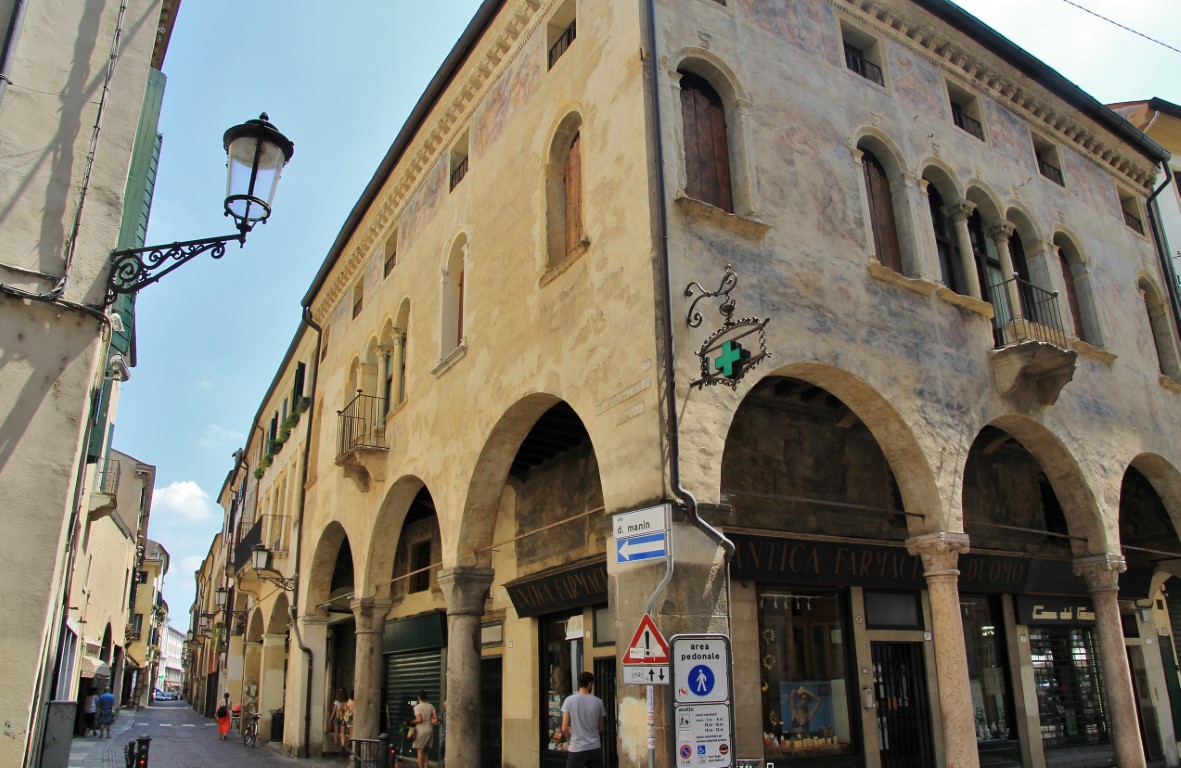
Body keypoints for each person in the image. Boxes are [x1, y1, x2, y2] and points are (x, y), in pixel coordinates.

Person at [560, 671, 606, 768]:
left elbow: (564, 728)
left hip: (576, 748)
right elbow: (601, 728)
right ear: (589, 684)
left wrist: (570, 739)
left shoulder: (569, 701)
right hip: (594, 748)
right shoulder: (598, 702)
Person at [411, 689, 438, 768]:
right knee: (426, 750)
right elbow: (435, 718)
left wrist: (413, 721)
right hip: (429, 728)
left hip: (421, 730)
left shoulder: (417, 707)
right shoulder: (431, 706)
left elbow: (419, 720)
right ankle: (426, 766)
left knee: (420, 750)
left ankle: (420, 767)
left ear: (419, 697)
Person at [330, 688, 348, 755]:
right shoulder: (345, 701)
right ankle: (342, 745)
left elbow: (333, 712)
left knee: (335, 734)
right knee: (343, 734)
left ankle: (336, 750)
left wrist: (330, 720)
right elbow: (346, 710)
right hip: (343, 718)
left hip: (336, 718)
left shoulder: (336, 702)